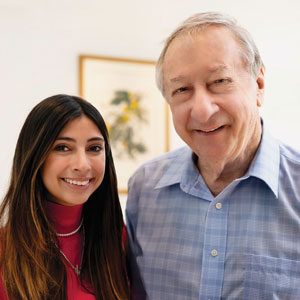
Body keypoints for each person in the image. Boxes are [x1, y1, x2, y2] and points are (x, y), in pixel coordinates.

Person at [126, 12, 300, 300]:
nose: (203, 110)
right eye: (181, 89)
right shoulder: (145, 189)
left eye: (219, 81)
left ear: (258, 85)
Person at [0, 94, 131, 300]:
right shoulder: (4, 249)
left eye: (94, 148)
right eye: (63, 148)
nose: (83, 164)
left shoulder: (119, 240)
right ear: (35, 156)